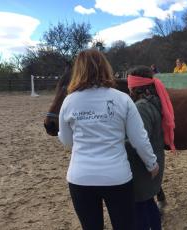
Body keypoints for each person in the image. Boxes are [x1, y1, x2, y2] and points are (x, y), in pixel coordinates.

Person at [58, 49, 159, 230]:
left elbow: (66, 141)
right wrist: (152, 163)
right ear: (105, 67)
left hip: (80, 178)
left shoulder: (69, 101)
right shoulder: (122, 99)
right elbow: (139, 139)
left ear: (78, 70)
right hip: (116, 177)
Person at [126, 65, 175, 230]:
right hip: (154, 161)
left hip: (143, 168)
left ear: (136, 86)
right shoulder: (155, 101)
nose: (129, 89)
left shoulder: (141, 107)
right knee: (149, 204)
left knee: (139, 209)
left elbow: (139, 140)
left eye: (130, 86)